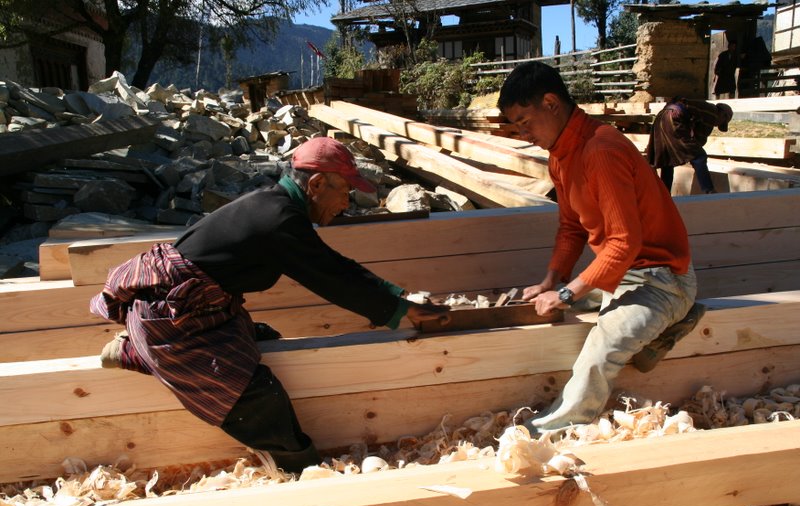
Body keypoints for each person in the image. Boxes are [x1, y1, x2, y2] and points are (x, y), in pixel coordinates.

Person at [90, 137, 450, 473]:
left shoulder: (276, 207)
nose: (347, 203)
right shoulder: (279, 219)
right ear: (317, 185)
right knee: (255, 395)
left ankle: (136, 350)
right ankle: (298, 469)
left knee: (261, 336)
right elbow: (331, 277)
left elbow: (332, 264)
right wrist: (401, 312)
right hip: (174, 318)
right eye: (346, 191)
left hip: (195, 308)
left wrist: (396, 295)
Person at [497, 61, 703, 435]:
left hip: (662, 280)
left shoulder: (600, 149)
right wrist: (551, 281)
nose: (522, 133)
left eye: (525, 122)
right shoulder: (560, 155)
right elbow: (570, 227)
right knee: (545, 306)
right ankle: (658, 325)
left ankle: (555, 429)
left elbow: (625, 242)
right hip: (621, 273)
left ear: (550, 103)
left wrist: (568, 291)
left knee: (603, 344)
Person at [647, 97, 733, 194]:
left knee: (668, 160)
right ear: (723, 115)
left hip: (662, 118)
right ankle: (709, 190)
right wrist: (691, 155)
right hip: (674, 117)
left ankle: (665, 195)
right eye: (722, 122)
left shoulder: (704, 108)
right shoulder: (712, 113)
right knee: (699, 156)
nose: (716, 125)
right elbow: (700, 138)